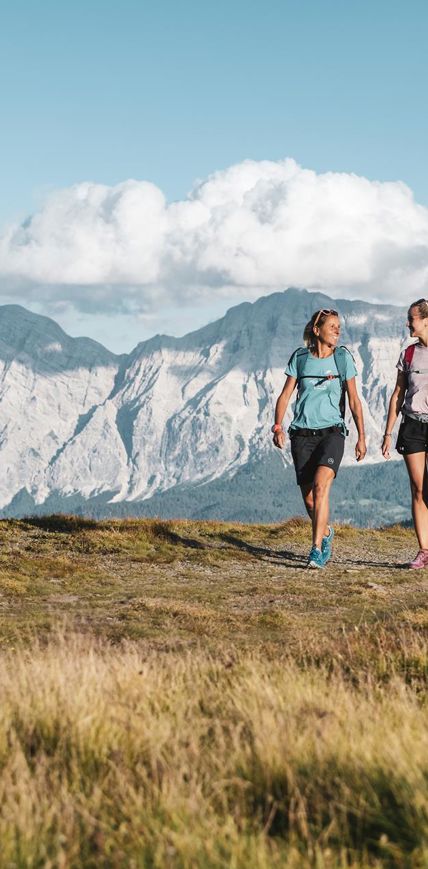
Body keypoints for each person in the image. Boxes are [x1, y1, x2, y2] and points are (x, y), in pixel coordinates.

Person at [272, 308, 367, 568]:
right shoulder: (300, 358)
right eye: (332, 326)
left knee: (321, 486)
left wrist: (361, 437)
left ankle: (315, 550)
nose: (338, 330)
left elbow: (355, 401)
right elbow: (285, 395)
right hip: (301, 434)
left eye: (339, 326)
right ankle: (325, 532)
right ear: (317, 330)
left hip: (332, 432)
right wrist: (277, 427)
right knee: (309, 500)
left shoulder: (342, 358)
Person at [382, 298, 428, 569]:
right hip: (412, 425)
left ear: (425, 320)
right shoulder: (408, 353)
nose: (407, 323)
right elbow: (398, 394)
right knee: (418, 489)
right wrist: (388, 432)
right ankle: (424, 550)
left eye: (411, 318)